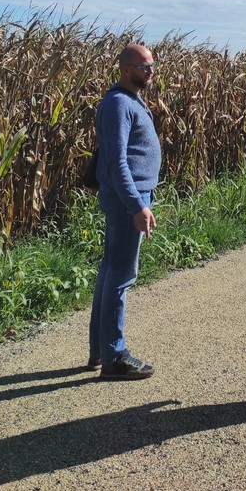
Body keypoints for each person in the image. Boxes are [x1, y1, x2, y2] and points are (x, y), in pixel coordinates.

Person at [88, 43, 161, 380]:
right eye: (144, 66)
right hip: (126, 199)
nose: (150, 71)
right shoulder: (118, 104)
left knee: (110, 273)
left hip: (128, 197)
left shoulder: (131, 100)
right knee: (120, 276)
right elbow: (117, 162)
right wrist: (137, 205)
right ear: (126, 69)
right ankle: (114, 355)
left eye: (151, 65)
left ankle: (100, 351)